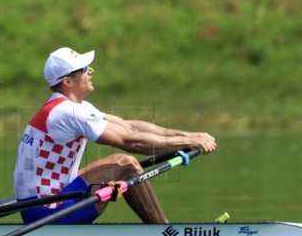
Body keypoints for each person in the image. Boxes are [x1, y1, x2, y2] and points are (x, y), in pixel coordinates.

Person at [13, 47, 217, 225]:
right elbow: (131, 142)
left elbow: (127, 127)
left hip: (45, 202)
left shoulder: (72, 107)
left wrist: (188, 135)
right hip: (46, 211)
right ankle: (163, 230)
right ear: (67, 80)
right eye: (84, 69)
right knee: (125, 164)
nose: (91, 71)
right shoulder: (67, 112)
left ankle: (159, 229)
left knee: (121, 166)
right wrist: (188, 142)